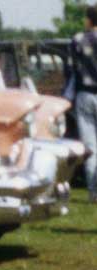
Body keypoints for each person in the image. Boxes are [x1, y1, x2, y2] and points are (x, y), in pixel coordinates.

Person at [68, 5, 97, 203]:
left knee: (91, 146)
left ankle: (94, 192)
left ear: (88, 19)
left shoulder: (78, 40)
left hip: (85, 94)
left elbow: (70, 70)